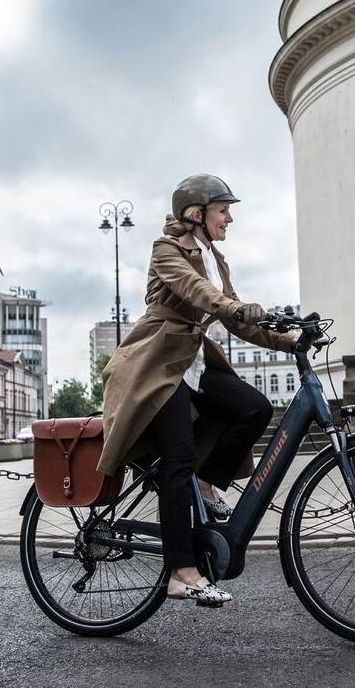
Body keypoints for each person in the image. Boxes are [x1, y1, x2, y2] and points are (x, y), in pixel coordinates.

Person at [98, 175, 297, 607]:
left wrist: (289, 339)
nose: (230, 218)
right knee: (178, 458)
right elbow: (198, 293)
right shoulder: (167, 250)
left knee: (253, 408)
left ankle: (206, 484)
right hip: (158, 365)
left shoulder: (216, 257)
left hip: (193, 362)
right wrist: (232, 305)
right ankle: (181, 573)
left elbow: (236, 320)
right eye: (223, 210)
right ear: (197, 214)